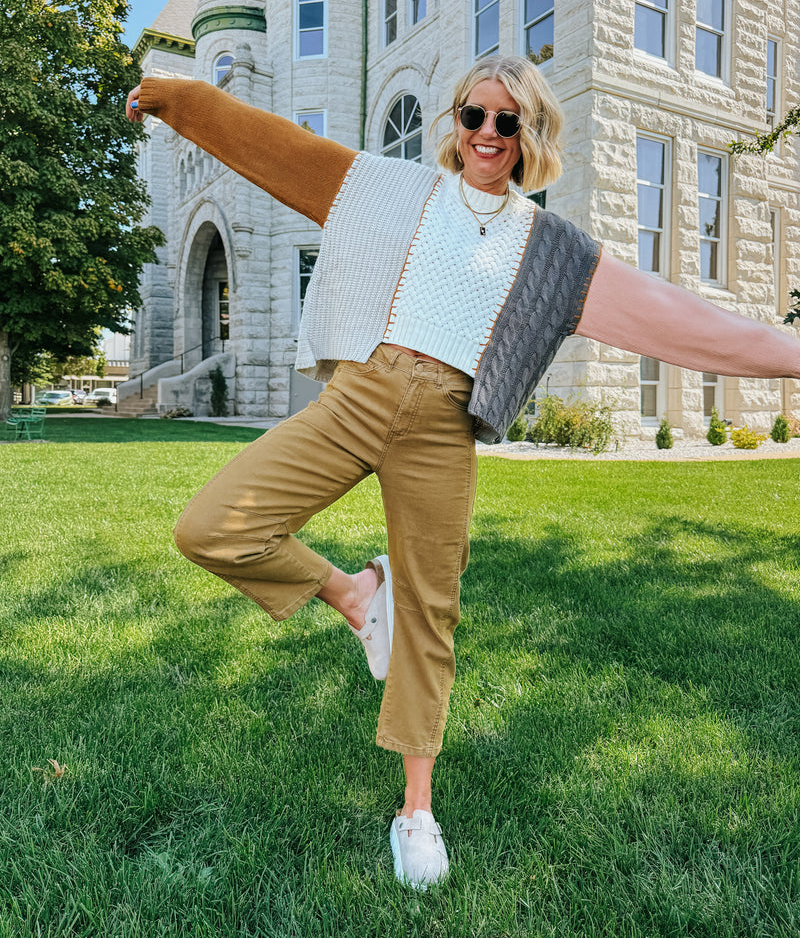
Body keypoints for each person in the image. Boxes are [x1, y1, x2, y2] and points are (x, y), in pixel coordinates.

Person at [126, 55, 800, 890]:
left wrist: (792, 357)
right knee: (211, 526)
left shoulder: (551, 250)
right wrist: (178, 99)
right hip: (362, 391)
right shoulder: (391, 189)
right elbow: (275, 146)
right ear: (455, 122)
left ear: (529, 138)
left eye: (506, 122)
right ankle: (353, 594)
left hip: (443, 426)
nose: (486, 133)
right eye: (473, 115)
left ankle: (416, 808)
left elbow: (678, 319)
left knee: (432, 613)